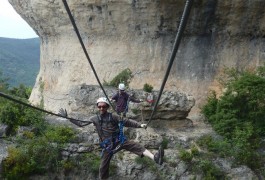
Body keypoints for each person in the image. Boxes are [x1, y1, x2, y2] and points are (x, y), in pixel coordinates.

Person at [59, 97, 164, 180]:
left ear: (107, 107)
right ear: (97, 107)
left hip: (119, 141)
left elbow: (127, 121)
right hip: (107, 146)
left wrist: (140, 125)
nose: (101, 108)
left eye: (103, 106)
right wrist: (68, 118)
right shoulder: (94, 119)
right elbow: (81, 124)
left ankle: (155, 158)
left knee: (135, 146)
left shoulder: (113, 116)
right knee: (103, 167)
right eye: (99, 107)